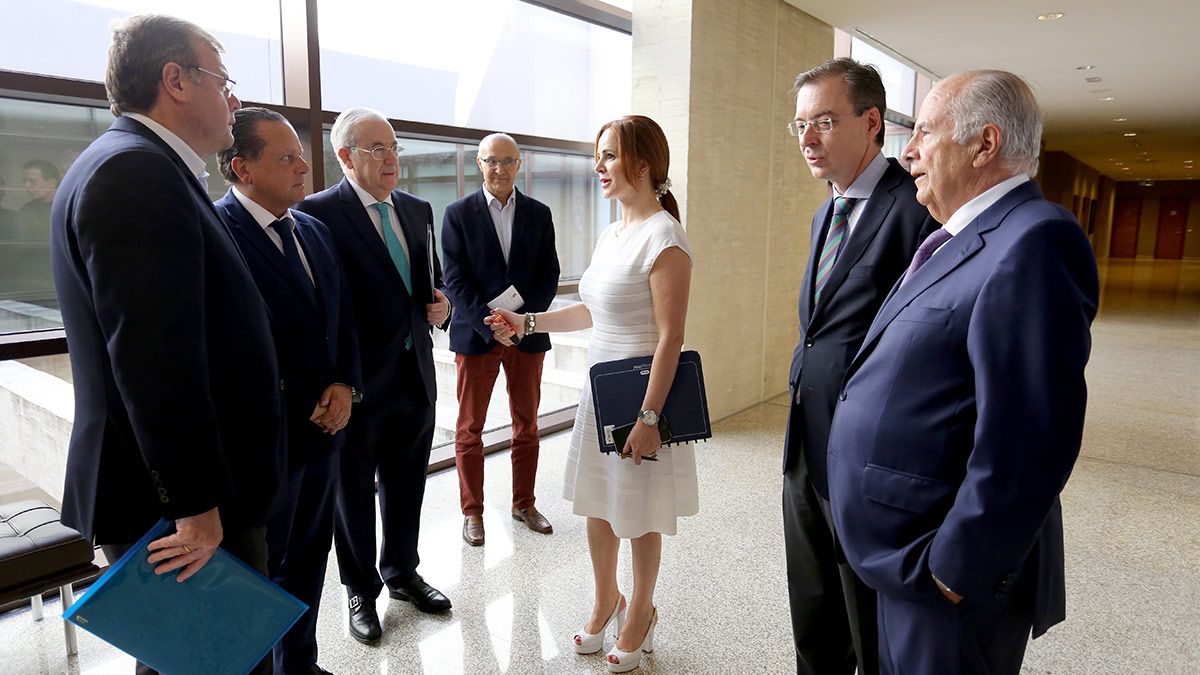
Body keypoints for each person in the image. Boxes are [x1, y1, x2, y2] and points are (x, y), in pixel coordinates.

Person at [826, 69, 1100, 674]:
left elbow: (1031, 437)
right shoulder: (957, 236)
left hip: (945, 576)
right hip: (902, 555)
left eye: (924, 130)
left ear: (985, 143)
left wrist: (956, 569)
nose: (908, 150)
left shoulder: (1036, 240)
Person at [49, 14, 283, 672]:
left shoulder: (134, 166)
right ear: (174, 81)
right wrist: (195, 506)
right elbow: (155, 362)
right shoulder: (135, 176)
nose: (234, 100)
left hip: (174, 499)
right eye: (223, 81)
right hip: (181, 511)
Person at [487, 115, 695, 673]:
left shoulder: (664, 236)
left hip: (642, 396)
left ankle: (642, 610)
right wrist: (528, 323)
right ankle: (608, 598)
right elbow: (591, 312)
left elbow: (671, 336)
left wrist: (650, 417)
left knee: (640, 513)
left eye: (608, 155)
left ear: (643, 164)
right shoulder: (613, 232)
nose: (598, 167)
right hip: (600, 392)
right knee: (599, 507)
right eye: (597, 155)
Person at [783, 57, 935, 675]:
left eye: (823, 121)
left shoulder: (917, 212)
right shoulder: (827, 210)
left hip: (869, 456)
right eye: (798, 126)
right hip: (804, 444)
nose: (808, 139)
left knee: (868, 621)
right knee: (813, 610)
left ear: (872, 122)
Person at [297, 107, 453, 644]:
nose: (392, 159)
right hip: (357, 385)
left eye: (394, 148)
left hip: (415, 376)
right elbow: (317, 307)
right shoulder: (315, 214)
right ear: (345, 156)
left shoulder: (416, 209)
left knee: (408, 482)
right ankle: (360, 588)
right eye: (377, 149)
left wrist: (443, 306)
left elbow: (427, 282)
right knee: (353, 492)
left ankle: (403, 571)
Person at [215, 107, 362, 675]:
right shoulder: (216, 233)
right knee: (258, 571)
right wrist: (307, 398)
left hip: (324, 437)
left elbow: (342, 319)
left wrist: (345, 383)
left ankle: (298, 663)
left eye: (301, 153)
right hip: (263, 446)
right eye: (286, 157)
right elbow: (232, 348)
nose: (305, 166)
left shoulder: (315, 232)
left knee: (307, 559)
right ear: (241, 168)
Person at [441, 132, 561, 547]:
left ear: (519, 164)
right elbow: (453, 278)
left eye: (508, 161)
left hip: (526, 338)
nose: (499, 169)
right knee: (469, 429)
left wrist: (523, 323)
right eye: (492, 161)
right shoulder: (457, 214)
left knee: (527, 425)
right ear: (479, 163)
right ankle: (472, 512)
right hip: (477, 337)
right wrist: (490, 324)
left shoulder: (540, 214)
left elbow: (549, 274)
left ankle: (523, 503)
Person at [19, 159, 59, 229]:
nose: (26, 186)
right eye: (25, 181)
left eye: (33, 181)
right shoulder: (27, 210)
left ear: (52, 183)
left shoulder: (66, 208)